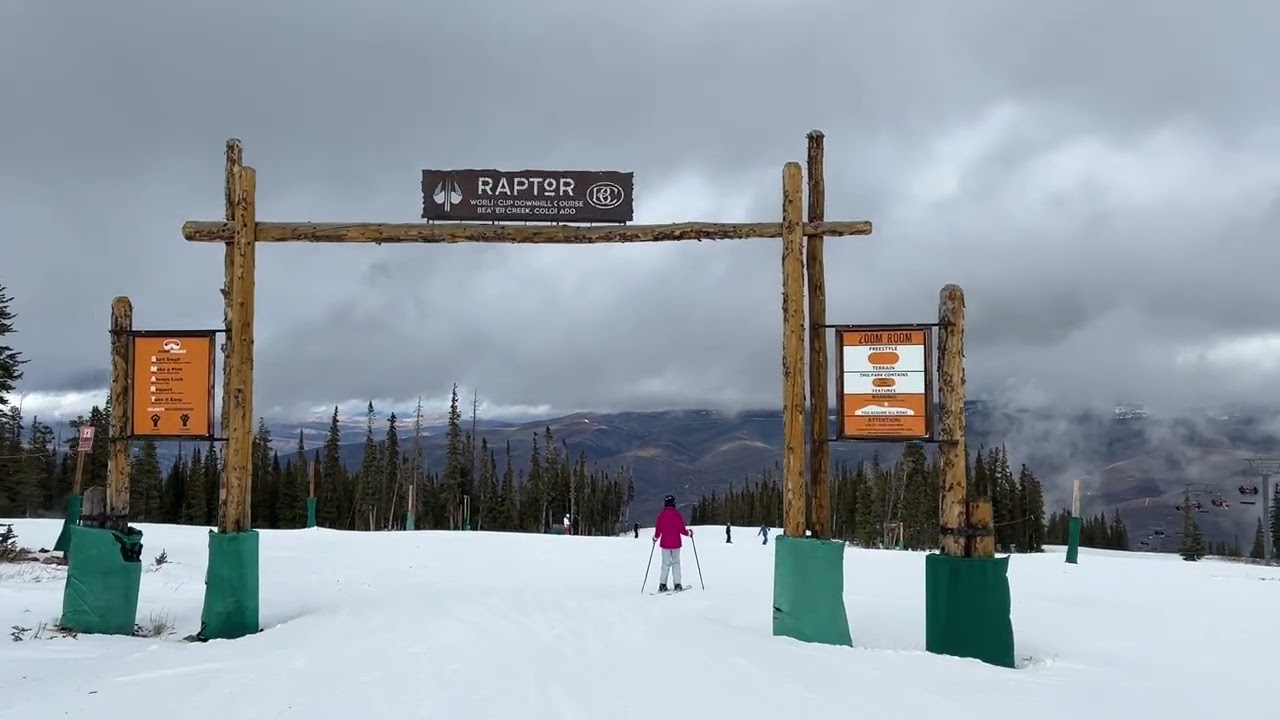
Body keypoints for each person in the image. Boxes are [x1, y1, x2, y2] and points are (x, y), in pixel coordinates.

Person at [653, 495, 693, 592]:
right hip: (676, 543)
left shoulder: (661, 515)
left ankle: (662, 584)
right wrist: (689, 533)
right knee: (676, 563)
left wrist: (655, 537)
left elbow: (659, 529)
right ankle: (677, 584)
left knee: (665, 564)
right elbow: (682, 530)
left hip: (665, 544)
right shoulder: (677, 514)